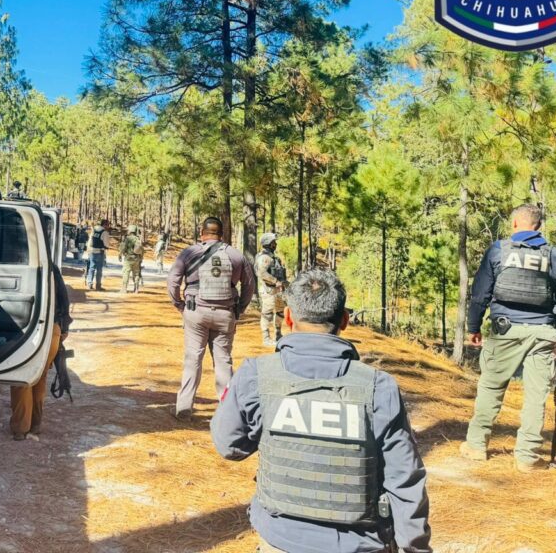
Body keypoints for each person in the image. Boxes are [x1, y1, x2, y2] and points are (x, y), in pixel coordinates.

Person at [211, 268, 432, 553]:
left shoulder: (256, 375)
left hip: (279, 541)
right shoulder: (379, 387)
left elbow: (229, 445)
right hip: (360, 544)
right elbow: (405, 480)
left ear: (288, 317)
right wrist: (415, 548)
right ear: (344, 320)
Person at [460, 203, 556, 472]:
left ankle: (477, 445)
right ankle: (527, 456)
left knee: (492, 387)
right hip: (543, 333)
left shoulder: (498, 251)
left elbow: (480, 293)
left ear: (514, 224)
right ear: (538, 227)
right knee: (536, 395)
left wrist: (474, 326)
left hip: (505, 330)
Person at [167, 216, 254, 420]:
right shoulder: (235, 255)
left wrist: (179, 304)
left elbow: (173, 280)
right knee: (223, 361)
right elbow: (249, 285)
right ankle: (228, 409)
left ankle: (184, 407)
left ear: (201, 232)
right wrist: (239, 308)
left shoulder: (189, 253)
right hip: (225, 313)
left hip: (196, 311)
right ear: (222, 234)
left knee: (193, 358)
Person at [10, 264, 73, 441]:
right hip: (53, 328)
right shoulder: (51, 267)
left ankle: (20, 429)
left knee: (20, 377)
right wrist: (63, 328)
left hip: (27, 330)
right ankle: (35, 426)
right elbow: (63, 299)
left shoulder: (19, 267)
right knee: (40, 377)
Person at [255, 233, 288, 348]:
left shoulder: (274, 257)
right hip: (269, 290)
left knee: (280, 312)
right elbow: (262, 273)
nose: (276, 244)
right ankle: (266, 338)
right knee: (267, 314)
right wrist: (275, 281)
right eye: (274, 242)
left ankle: (278, 334)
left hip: (278, 291)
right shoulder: (264, 258)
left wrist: (284, 283)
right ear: (269, 244)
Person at [85, 219, 111, 291]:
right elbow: (106, 244)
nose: (108, 226)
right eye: (108, 225)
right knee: (99, 270)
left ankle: (89, 284)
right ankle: (98, 286)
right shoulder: (104, 232)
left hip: (92, 251)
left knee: (91, 268)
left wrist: (88, 250)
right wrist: (107, 247)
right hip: (100, 252)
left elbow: (90, 240)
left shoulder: (94, 230)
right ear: (105, 225)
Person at [120, 224, 144, 293]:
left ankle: (124, 289)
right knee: (136, 274)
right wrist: (141, 259)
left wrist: (120, 254)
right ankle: (136, 289)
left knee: (126, 273)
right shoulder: (138, 239)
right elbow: (142, 250)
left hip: (128, 258)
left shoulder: (127, 238)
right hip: (137, 259)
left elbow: (123, 248)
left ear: (130, 230)